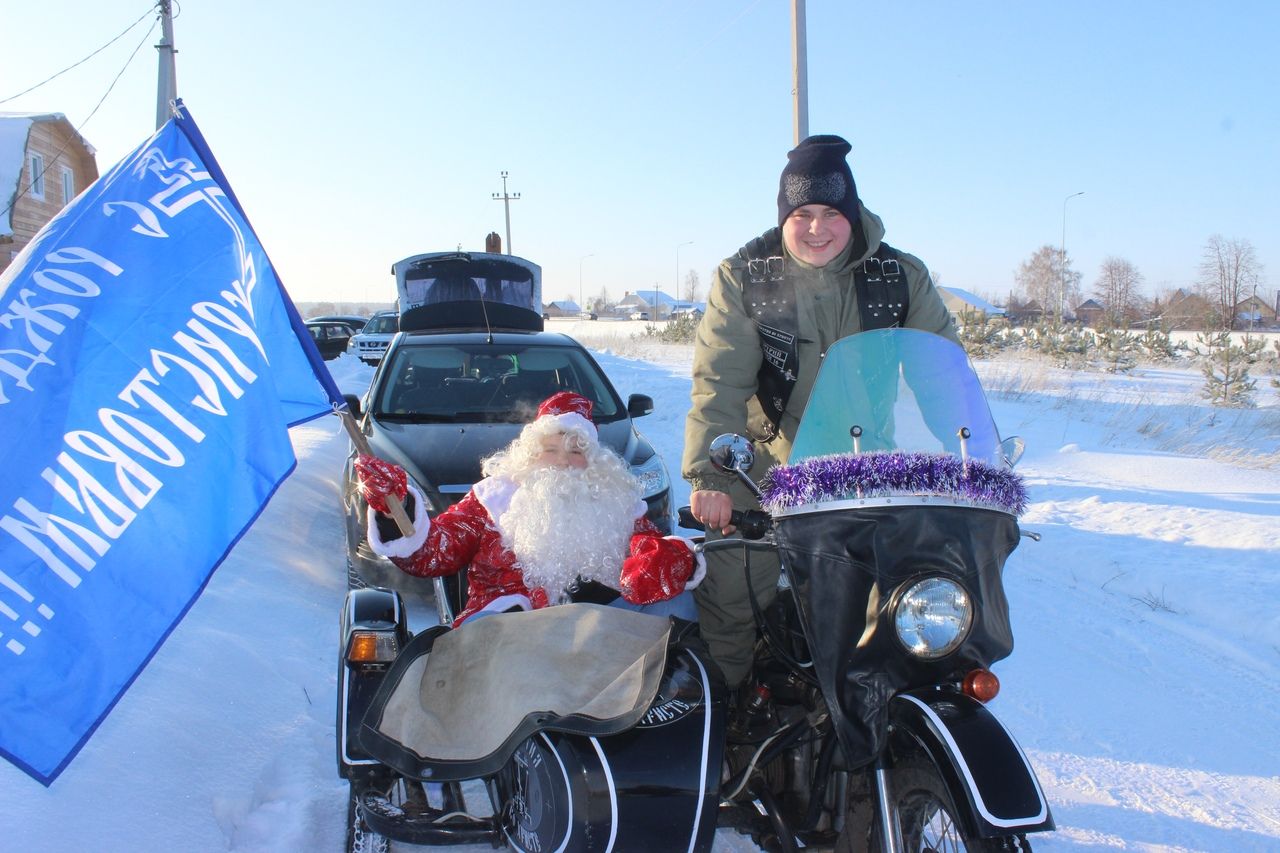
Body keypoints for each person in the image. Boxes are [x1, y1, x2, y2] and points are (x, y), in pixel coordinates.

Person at [683, 134, 961, 687]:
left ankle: (878, 715)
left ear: (852, 215)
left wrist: (971, 452)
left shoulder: (899, 277)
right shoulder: (746, 276)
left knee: (893, 603)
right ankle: (730, 721)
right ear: (784, 216)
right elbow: (720, 379)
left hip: (864, 464)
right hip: (761, 465)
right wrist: (712, 475)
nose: (816, 228)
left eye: (831, 212)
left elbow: (944, 374)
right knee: (735, 595)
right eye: (802, 213)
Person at [357, 391, 703, 625]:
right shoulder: (494, 499)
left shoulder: (616, 503)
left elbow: (651, 549)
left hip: (598, 633)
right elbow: (434, 551)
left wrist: (670, 560)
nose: (562, 462)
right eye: (551, 450)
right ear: (531, 454)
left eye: (576, 452)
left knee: (677, 607)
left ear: (594, 462)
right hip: (506, 630)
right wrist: (395, 508)